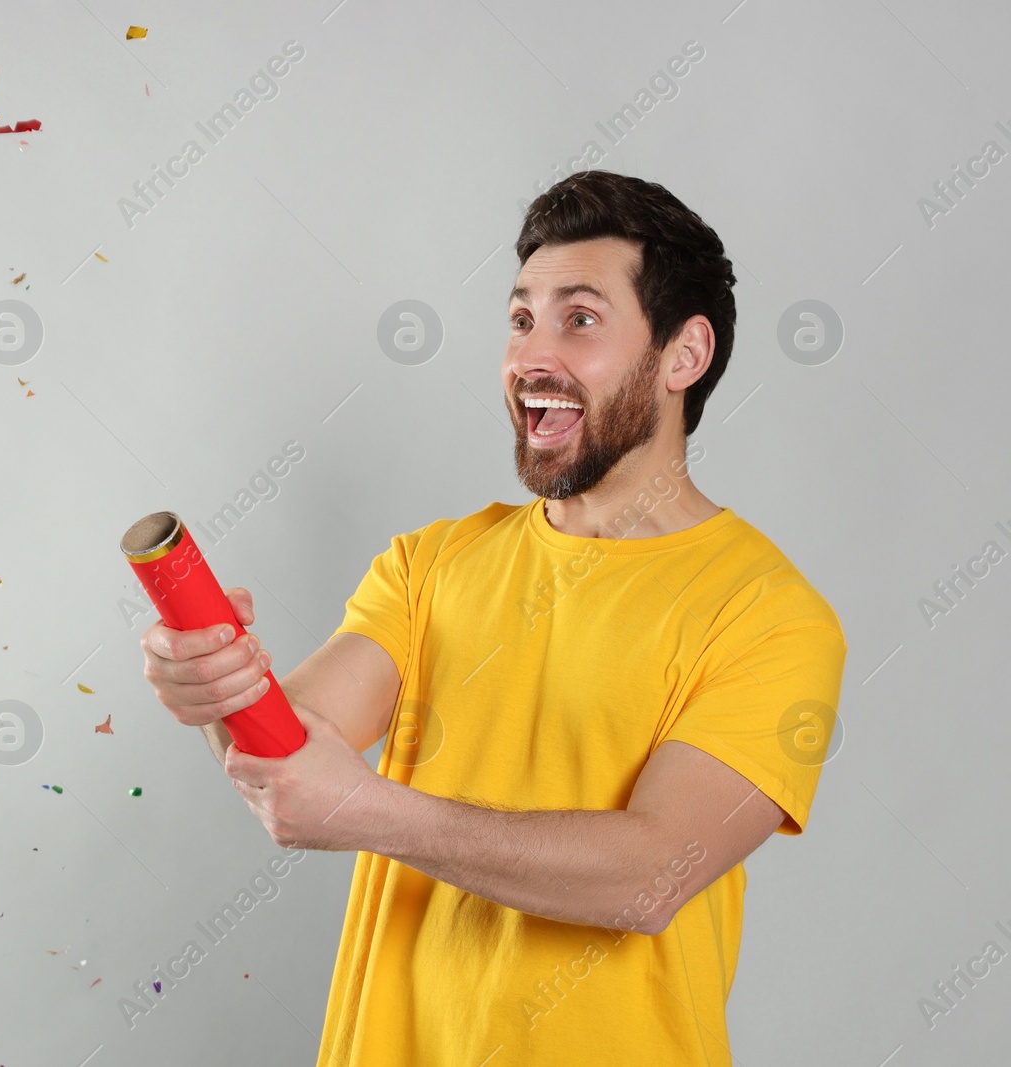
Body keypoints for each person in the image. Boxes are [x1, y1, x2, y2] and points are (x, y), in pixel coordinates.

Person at [139, 170, 846, 1065]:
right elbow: (288, 754)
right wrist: (220, 685)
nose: (530, 357)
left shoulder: (770, 616)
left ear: (683, 354)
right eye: (520, 320)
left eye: (579, 320)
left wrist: (368, 809)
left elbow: (651, 873)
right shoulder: (431, 563)